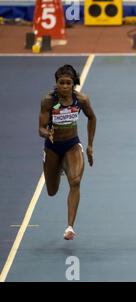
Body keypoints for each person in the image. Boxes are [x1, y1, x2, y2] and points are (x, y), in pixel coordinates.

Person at [38, 64, 96, 240]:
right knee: (52, 191)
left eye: (68, 83)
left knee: (76, 181)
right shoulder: (48, 100)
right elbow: (40, 128)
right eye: (61, 82)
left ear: (73, 84)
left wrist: (90, 145)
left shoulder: (82, 100)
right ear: (56, 83)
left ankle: (70, 227)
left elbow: (92, 118)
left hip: (72, 145)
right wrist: (47, 132)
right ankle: (59, 167)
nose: (64, 86)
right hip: (53, 148)